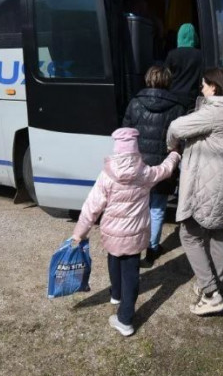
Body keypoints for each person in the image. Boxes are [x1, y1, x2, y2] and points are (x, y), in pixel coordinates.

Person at [71, 128, 180, 337]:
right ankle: (124, 314)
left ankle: (120, 305)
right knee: (131, 274)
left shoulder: (107, 175)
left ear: (117, 150)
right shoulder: (145, 173)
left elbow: (91, 207)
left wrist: (79, 233)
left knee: (114, 258)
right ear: (136, 150)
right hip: (135, 235)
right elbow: (166, 169)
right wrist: (175, 154)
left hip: (112, 233)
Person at [166, 67, 223, 316]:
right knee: (217, 232)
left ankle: (211, 293)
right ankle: (215, 283)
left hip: (208, 185)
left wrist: (172, 148)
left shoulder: (214, 112)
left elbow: (176, 127)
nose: (201, 89)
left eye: (203, 85)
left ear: (213, 87)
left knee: (189, 234)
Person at [122, 66, 186, 267]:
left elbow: (125, 134)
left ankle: (133, 248)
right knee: (157, 208)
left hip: (137, 166)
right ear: (168, 80)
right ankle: (152, 248)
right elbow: (179, 139)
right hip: (163, 167)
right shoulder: (178, 107)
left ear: (148, 79)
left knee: (136, 208)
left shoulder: (135, 103)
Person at [164, 23, 203, 110]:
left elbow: (165, 76)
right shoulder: (200, 55)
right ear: (194, 37)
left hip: (173, 98)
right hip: (192, 99)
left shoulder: (172, 54)